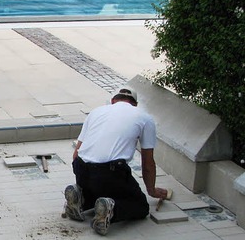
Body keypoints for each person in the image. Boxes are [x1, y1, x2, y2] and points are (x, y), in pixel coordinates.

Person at [63, 87, 169, 235]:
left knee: (100, 188)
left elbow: (76, 154)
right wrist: (152, 190)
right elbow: (148, 163)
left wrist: (83, 178)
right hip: (109, 173)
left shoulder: (96, 112)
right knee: (140, 206)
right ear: (135, 104)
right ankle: (111, 210)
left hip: (81, 168)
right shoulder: (145, 118)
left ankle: (80, 198)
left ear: (113, 101)